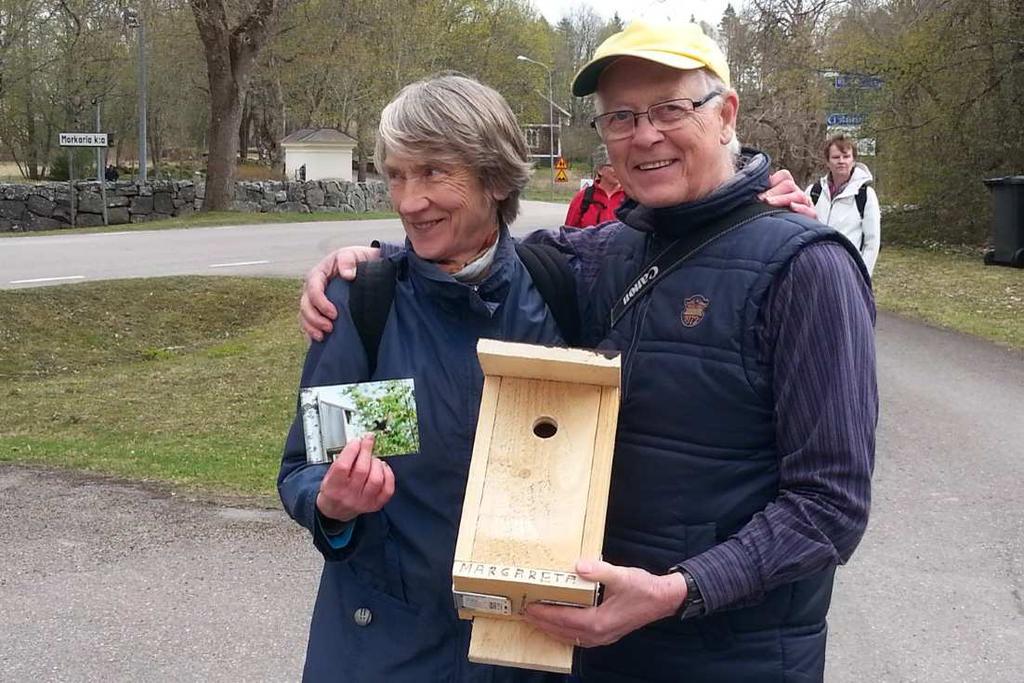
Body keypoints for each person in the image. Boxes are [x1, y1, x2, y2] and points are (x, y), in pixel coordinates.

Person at [298, 23, 870, 683]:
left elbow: (831, 504)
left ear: (726, 114)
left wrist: (678, 589)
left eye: (669, 109)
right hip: (581, 651)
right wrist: (371, 267)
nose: (644, 134)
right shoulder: (594, 261)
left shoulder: (806, 268)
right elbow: (474, 264)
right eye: (621, 117)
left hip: (727, 657)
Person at [277, 74, 572, 683]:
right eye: (396, 174)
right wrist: (331, 505)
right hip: (384, 651)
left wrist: (768, 207)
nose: (409, 201)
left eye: (435, 172)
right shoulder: (366, 301)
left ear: (494, 178)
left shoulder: (559, 294)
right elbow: (306, 470)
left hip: (527, 652)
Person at [807, 133, 881, 275]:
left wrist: (862, 276)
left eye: (846, 156)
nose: (841, 161)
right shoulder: (813, 192)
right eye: (835, 157)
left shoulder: (865, 195)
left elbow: (872, 243)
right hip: (815, 270)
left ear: (853, 160)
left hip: (848, 272)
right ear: (827, 162)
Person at [564, 145, 626, 228]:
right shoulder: (583, 198)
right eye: (613, 165)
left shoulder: (631, 198)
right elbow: (568, 235)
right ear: (600, 170)